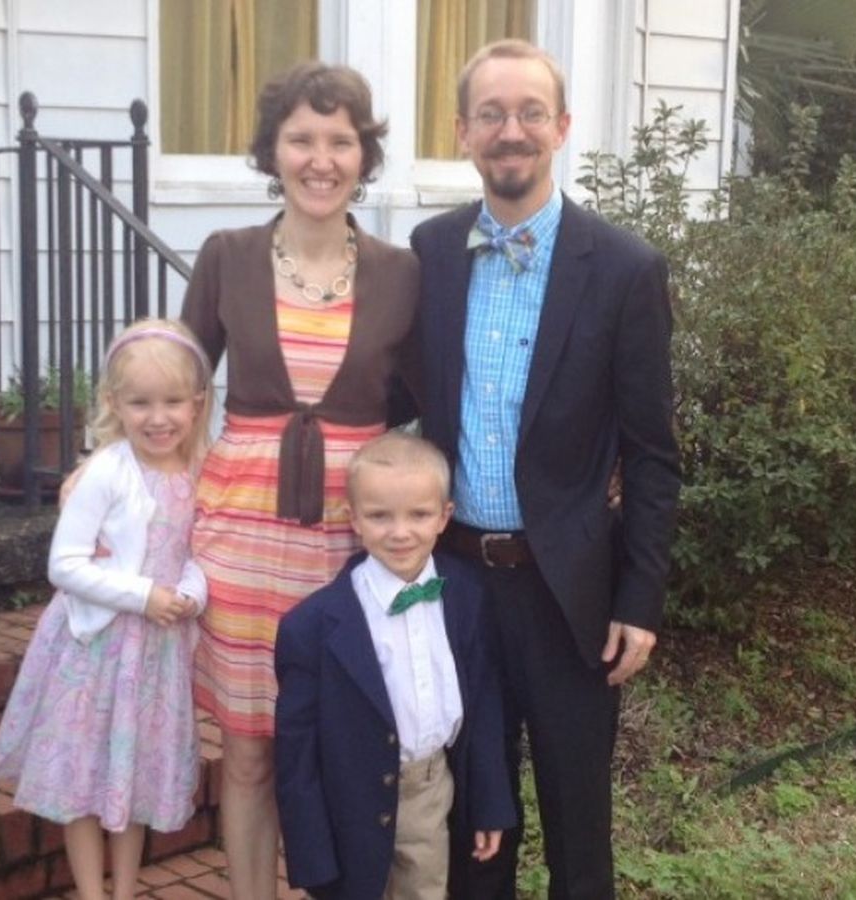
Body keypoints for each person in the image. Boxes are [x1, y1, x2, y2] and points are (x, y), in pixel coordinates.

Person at [408, 39, 681, 900]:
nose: (511, 130)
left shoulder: (625, 268)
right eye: (491, 113)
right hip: (456, 583)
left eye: (530, 112)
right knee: (473, 825)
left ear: (561, 128)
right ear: (463, 131)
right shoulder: (431, 251)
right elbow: (384, 395)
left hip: (570, 596)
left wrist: (639, 600)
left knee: (577, 827)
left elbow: (653, 454)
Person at [180, 62, 420, 899]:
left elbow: (431, 401)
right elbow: (178, 388)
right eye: (302, 139)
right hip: (241, 538)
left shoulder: (402, 271)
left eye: (341, 141)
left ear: (364, 155)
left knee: (343, 742)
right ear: (272, 152)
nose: (322, 160)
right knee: (249, 752)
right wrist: (105, 471)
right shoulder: (228, 256)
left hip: (353, 542)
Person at [0, 318, 215, 900]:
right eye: (140, 403)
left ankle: (126, 888)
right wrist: (142, 595)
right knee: (84, 779)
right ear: (114, 403)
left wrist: (191, 592)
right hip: (96, 649)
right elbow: (64, 565)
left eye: (172, 402)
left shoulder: (199, 472)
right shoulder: (108, 472)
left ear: (196, 404)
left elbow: (200, 552)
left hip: (156, 653)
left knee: (130, 776)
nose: (157, 418)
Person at [274, 431, 516, 900]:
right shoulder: (312, 626)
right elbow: (295, 753)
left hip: (429, 791)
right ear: (354, 518)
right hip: (348, 802)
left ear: (444, 516)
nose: (400, 532)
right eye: (380, 515)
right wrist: (310, 854)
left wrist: (490, 803)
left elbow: (485, 706)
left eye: (418, 515)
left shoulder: (466, 595)